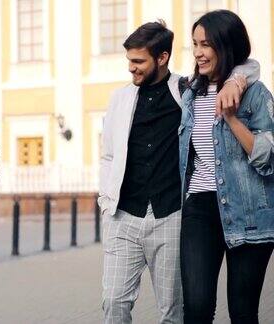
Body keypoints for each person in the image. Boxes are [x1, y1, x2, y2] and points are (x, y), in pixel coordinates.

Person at [99, 20, 258, 324]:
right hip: (123, 218)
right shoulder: (119, 99)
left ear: (162, 58)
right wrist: (105, 203)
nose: (131, 68)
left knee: (173, 312)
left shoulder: (187, 89)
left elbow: (249, 66)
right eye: (128, 61)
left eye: (138, 61)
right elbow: (108, 155)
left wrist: (235, 81)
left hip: (170, 215)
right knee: (113, 302)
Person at [179, 10, 274, 324]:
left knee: (243, 313)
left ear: (226, 44)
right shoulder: (189, 93)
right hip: (199, 209)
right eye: (195, 44)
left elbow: (267, 159)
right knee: (196, 310)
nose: (198, 53)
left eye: (206, 44)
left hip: (247, 212)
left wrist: (232, 118)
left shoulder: (256, 94)